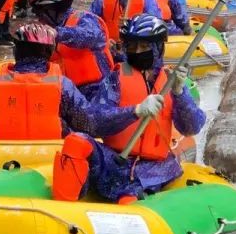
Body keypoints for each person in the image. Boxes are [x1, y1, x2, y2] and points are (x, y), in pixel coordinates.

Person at [52, 15, 202, 204]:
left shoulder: (171, 81)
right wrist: (135, 111)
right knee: (76, 141)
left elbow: (192, 127)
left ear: (158, 48)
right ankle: (63, 208)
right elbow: (93, 121)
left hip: (154, 168)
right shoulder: (116, 77)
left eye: (144, 47)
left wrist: (180, 93)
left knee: (128, 194)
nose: (137, 52)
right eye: (132, 47)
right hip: (114, 158)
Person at [0, 23, 104, 140]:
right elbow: (89, 126)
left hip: (1, 160)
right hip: (49, 158)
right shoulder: (64, 86)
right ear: (49, 52)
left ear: (16, 51)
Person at [30, 0, 114, 102]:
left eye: (41, 14)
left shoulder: (84, 18)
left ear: (54, 10)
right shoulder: (50, 28)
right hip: (69, 92)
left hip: (98, 90)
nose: (39, 19)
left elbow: (91, 36)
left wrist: (55, 33)